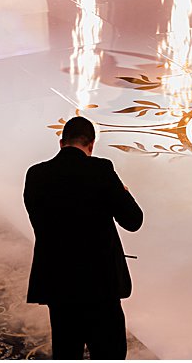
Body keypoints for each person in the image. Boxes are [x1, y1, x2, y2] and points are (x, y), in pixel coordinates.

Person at [24, 117, 144, 361]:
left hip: (58, 281)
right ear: (91, 144)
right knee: (109, 352)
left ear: (61, 143)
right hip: (100, 283)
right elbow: (133, 221)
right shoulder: (101, 170)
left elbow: (39, 220)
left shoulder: (35, 174)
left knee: (66, 351)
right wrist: (123, 192)